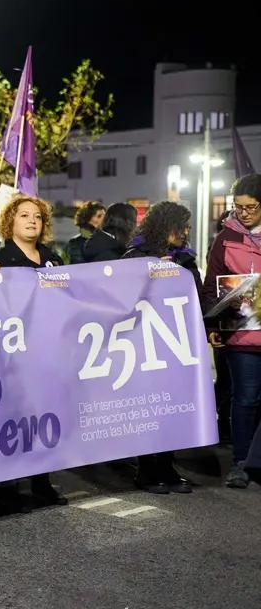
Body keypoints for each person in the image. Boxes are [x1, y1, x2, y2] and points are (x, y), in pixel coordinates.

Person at [0, 195, 69, 507]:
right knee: (15, 416)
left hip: (48, 350)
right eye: (24, 216)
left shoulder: (53, 260)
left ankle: (42, 481)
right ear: (11, 222)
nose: (32, 221)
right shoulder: (1, 260)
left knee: (45, 414)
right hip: (15, 353)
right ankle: (8, 484)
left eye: (37, 216)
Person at [123, 201, 198, 494]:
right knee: (149, 408)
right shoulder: (136, 255)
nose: (186, 232)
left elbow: (196, 294)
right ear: (166, 227)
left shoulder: (185, 258)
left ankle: (167, 467)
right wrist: (152, 275)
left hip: (178, 343)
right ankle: (146, 470)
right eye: (182, 226)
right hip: (145, 342)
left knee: (174, 407)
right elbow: (122, 296)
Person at [202, 174, 261, 488]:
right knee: (245, 399)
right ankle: (240, 464)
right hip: (240, 335)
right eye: (238, 207)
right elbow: (211, 285)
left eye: (251, 207)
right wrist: (213, 324)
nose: (244, 213)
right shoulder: (225, 238)